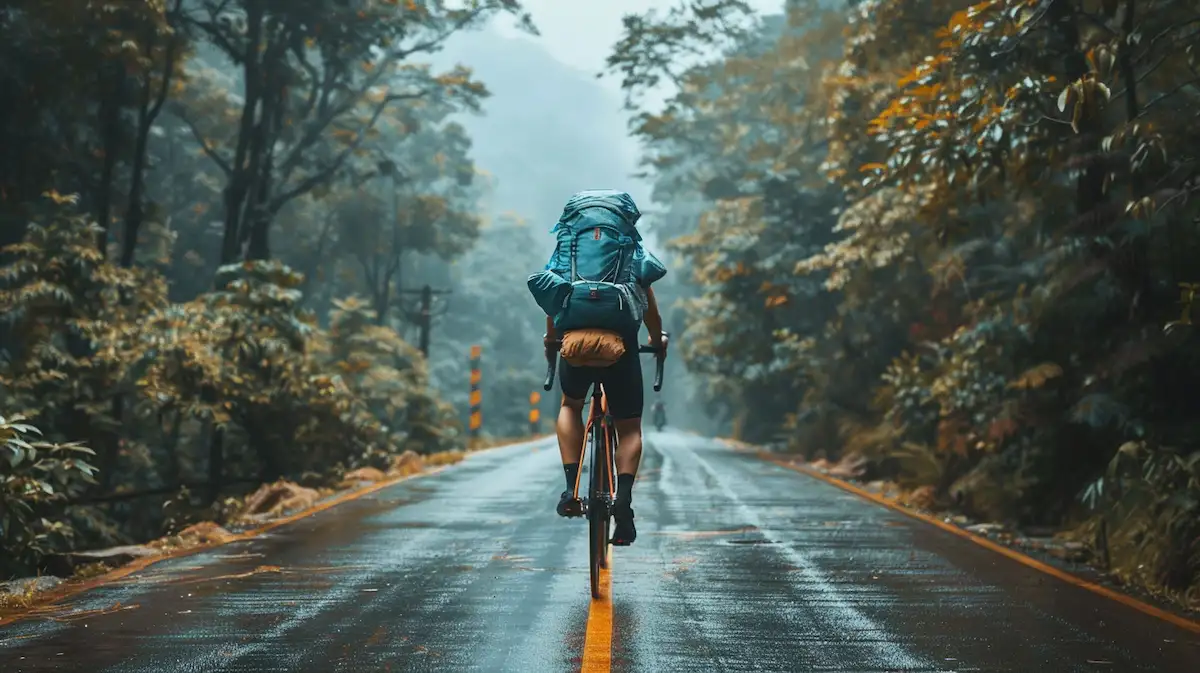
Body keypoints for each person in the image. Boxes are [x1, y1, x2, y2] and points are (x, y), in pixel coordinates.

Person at [531, 190, 667, 546]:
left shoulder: (565, 248)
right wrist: (657, 340)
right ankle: (623, 500)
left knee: (570, 405)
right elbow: (649, 308)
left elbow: (552, 299)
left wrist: (553, 340)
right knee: (630, 427)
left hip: (573, 342)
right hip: (621, 345)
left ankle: (570, 488)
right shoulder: (631, 251)